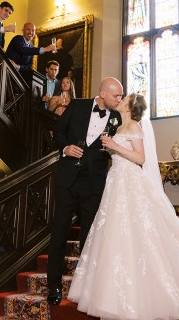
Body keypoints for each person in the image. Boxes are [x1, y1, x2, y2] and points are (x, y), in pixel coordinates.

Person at [68, 93, 179, 320]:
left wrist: (114, 146)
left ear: (129, 106)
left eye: (124, 98)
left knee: (137, 230)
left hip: (131, 182)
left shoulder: (133, 125)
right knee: (113, 232)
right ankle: (109, 293)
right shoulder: (119, 125)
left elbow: (140, 158)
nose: (120, 100)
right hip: (116, 181)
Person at [47, 77, 123, 305]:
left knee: (89, 239)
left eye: (120, 96)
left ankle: (85, 288)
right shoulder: (78, 105)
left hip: (94, 185)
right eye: (116, 96)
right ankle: (54, 287)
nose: (119, 100)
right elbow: (58, 131)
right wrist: (66, 148)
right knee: (59, 234)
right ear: (102, 93)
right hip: (68, 181)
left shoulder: (118, 117)